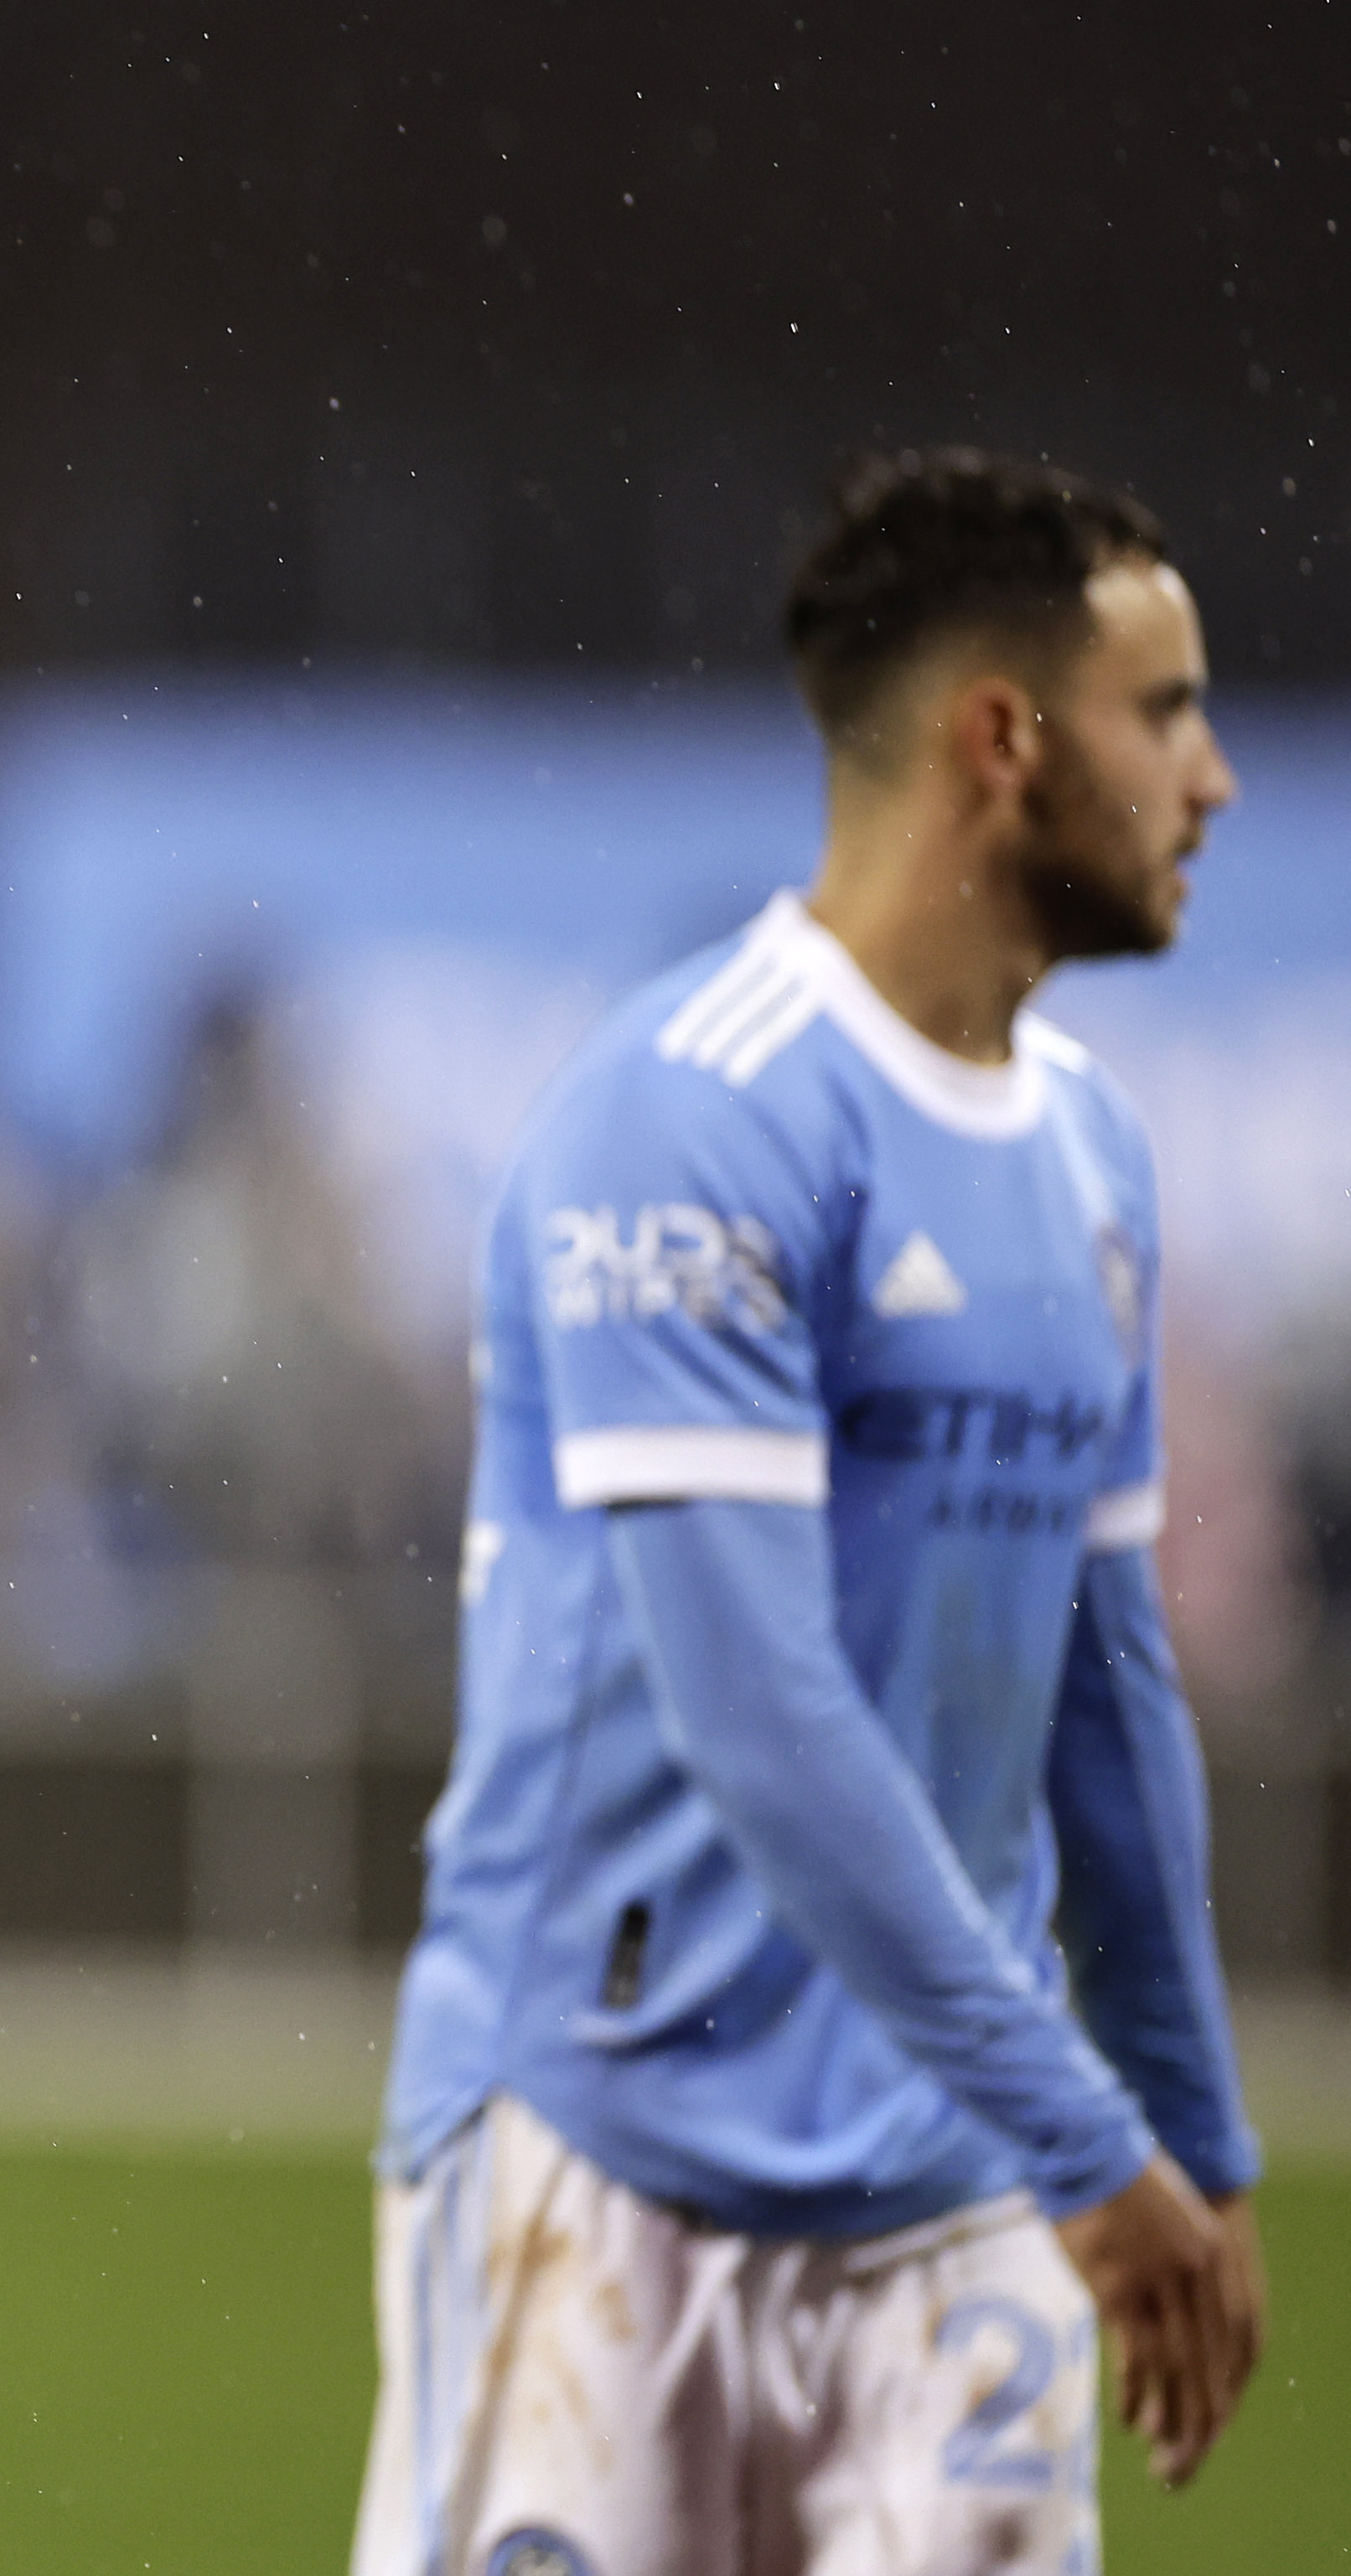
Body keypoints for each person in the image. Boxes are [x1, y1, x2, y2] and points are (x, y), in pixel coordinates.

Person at [353, 448, 1270, 2576]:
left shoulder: (1093, 1161)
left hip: (954, 2194)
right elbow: (757, 1710)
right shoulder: (689, 1116)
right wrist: (1088, 2134)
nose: (1210, 777)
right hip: (593, 2158)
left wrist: (1189, 2131)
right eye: (1166, 712)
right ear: (999, 738)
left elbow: (1106, 1687)